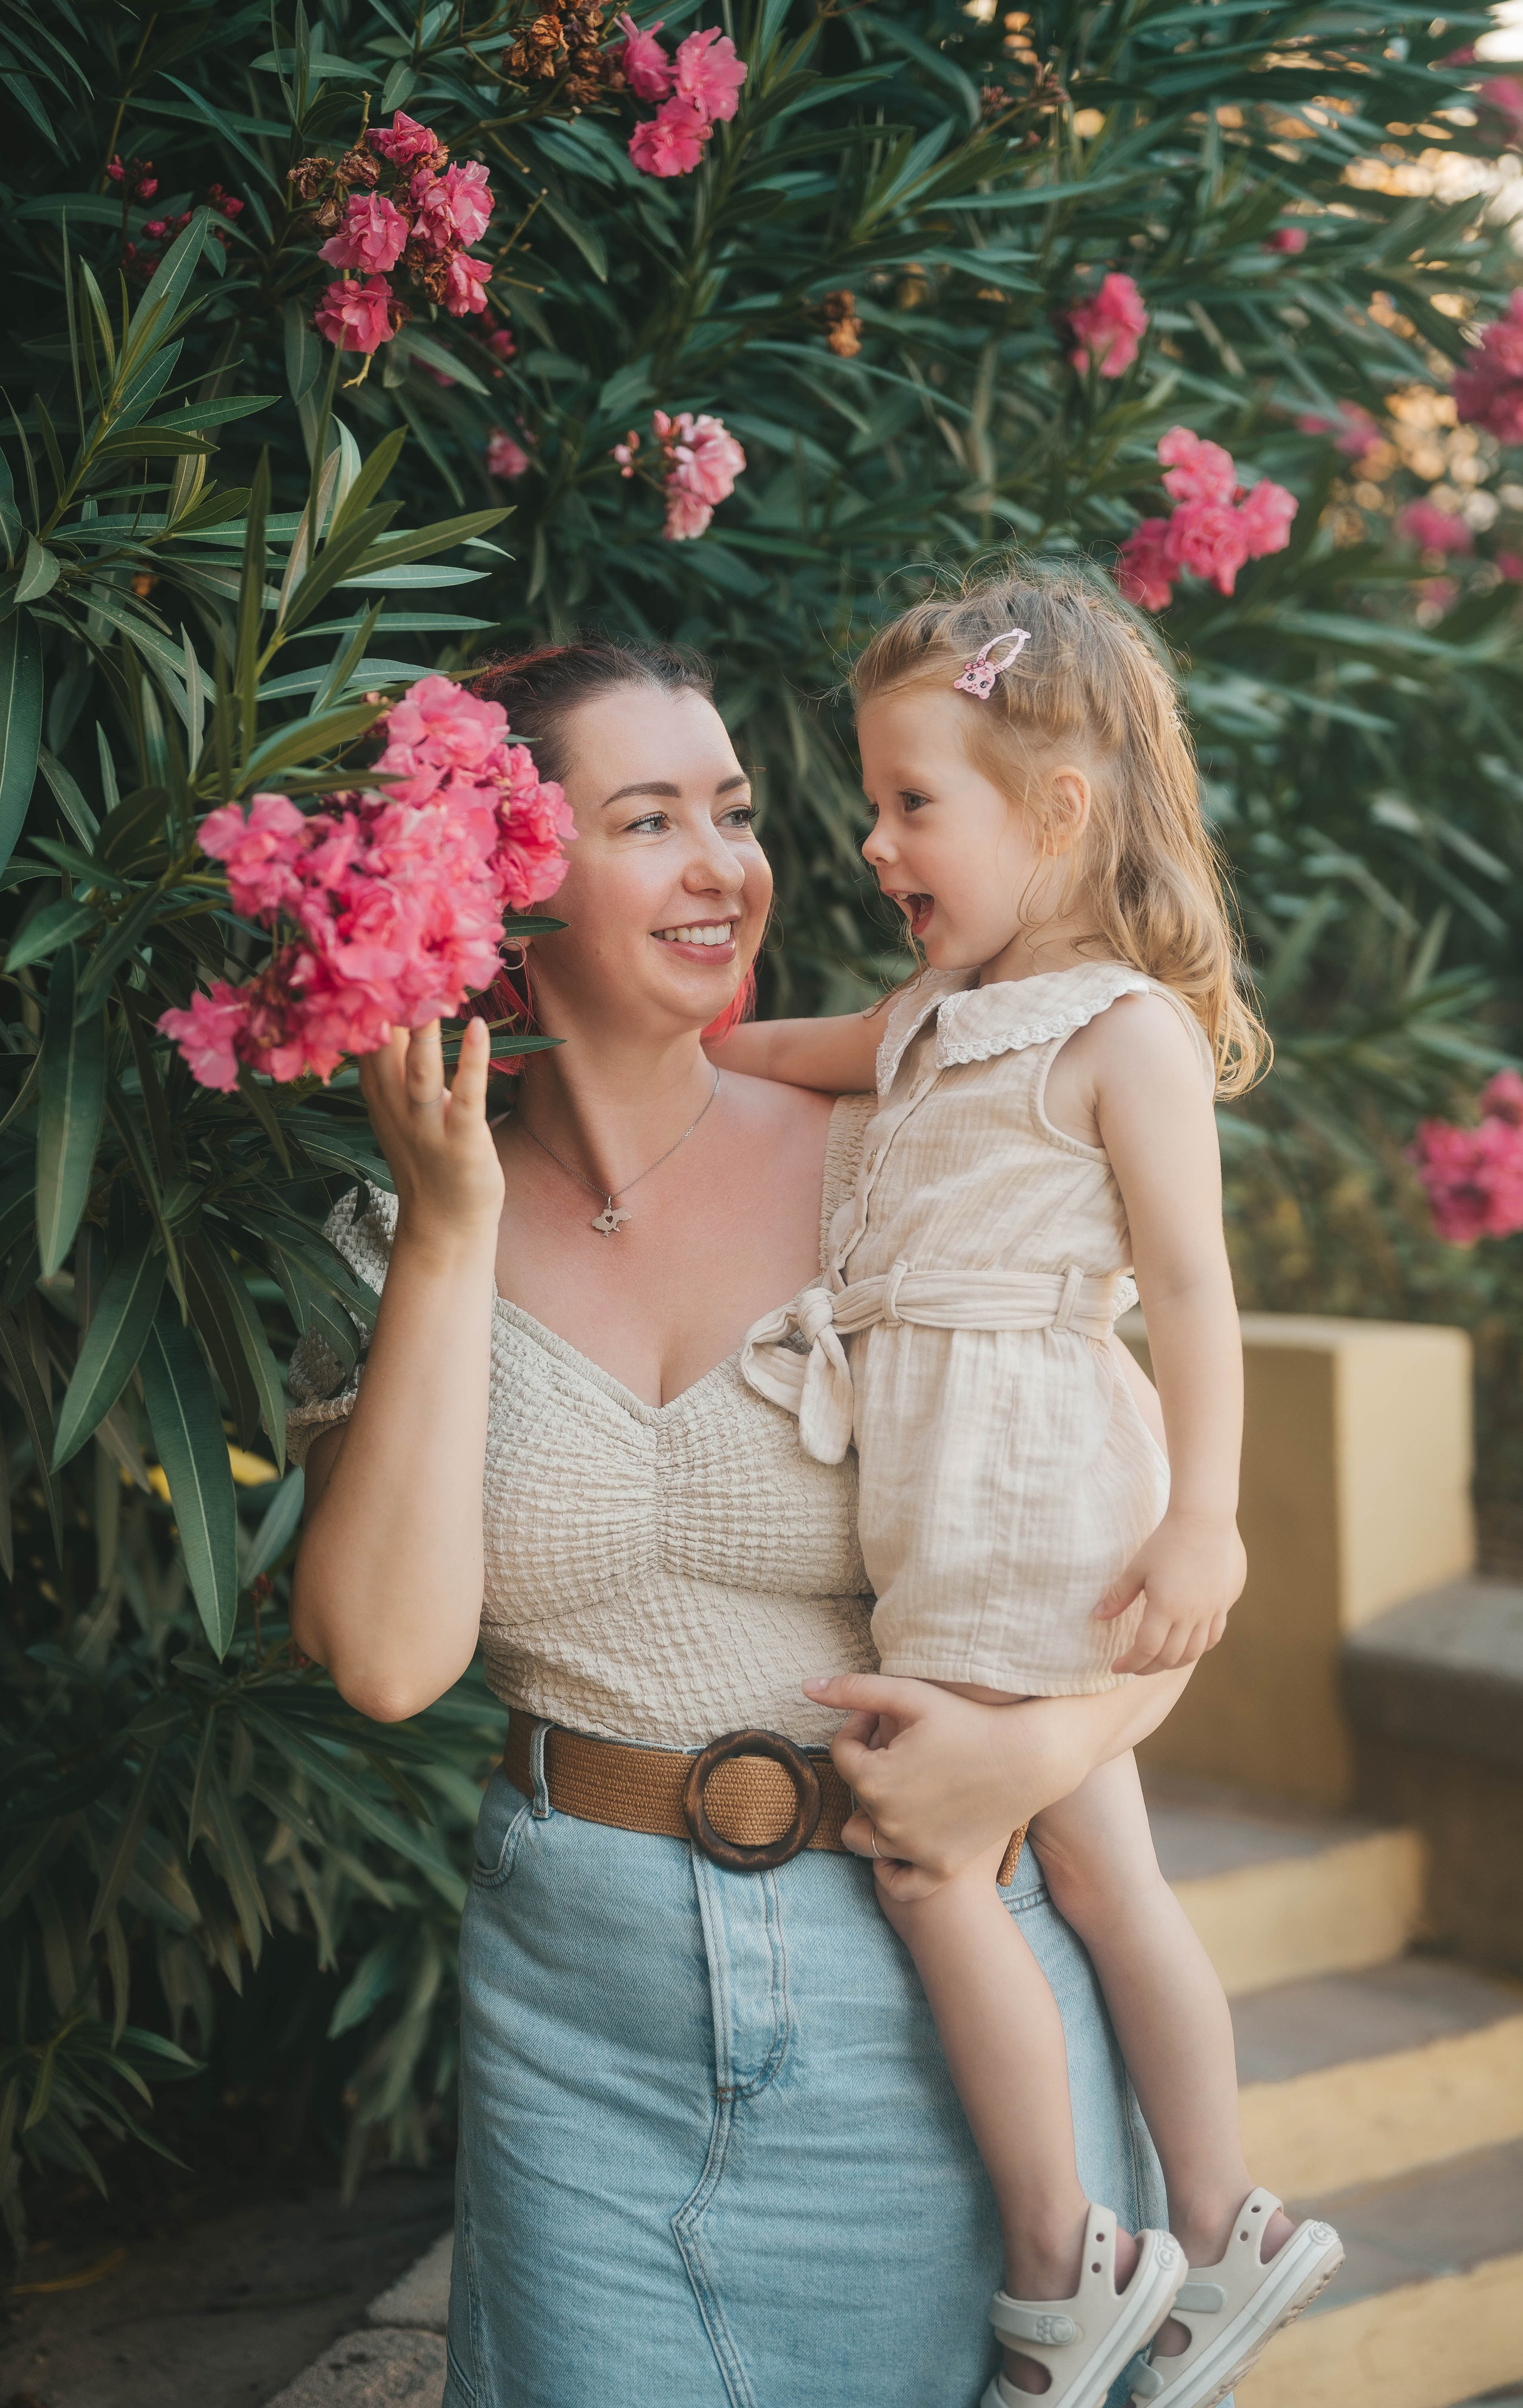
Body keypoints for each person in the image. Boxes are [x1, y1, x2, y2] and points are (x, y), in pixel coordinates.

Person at [287, 638, 1194, 2408]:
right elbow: (391, 1662)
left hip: (939, 2010)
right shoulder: (385, 1233)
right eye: (652, 821)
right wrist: (451, 1232)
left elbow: (1145, 1554)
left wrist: (1053, 1745)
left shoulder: (907, 1154)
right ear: (501, 893)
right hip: (585, 2034)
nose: (732, 866)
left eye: (739, 811)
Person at [721, 569, 1345, 2408]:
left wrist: (1206, 1514)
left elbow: (1199, 1287)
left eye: (917, 803)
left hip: (1034, 1483)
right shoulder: (931, 1015)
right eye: (877, 798)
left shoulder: (1119, 1029)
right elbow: (763, 1053)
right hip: (956, 1497)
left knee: (928, 1858)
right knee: (1104, 1864)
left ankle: (1069, 2264)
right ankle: (1226, 2219)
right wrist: (627, 1048)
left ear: (1057, 812)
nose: (873, 836)